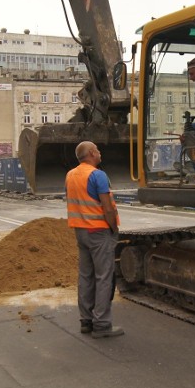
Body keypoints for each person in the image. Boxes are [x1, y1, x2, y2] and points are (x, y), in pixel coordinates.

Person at [65, 141, 124, 339]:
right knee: (104, 277)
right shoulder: (97, 175)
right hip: (98, 232)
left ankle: (86, 320)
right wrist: (114, 229)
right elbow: (107, 207)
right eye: (98, 150)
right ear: (91, 153)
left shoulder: (70, 175)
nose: (99, 152)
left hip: (80, 231)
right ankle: (102, 324)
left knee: (86, 276)